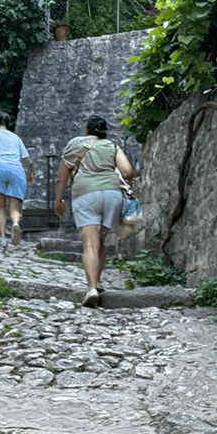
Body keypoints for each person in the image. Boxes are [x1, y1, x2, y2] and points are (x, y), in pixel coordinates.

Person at [54, 115, 134, 308]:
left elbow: (61, 178)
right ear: (105, 131)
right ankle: (98, 282)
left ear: (86, 130)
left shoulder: (75, 144)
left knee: (90, 244)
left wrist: (58, 201)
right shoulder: (112, 147)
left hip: (85, 194)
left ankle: (91, 289)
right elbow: (128, 172)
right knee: (101, 241)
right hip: (112, 196)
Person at [0, 112, 33, 253]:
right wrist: (29, 174)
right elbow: (28, 160)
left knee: (0, 207)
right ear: (9, 123)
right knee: (14, 209)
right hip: (16, 170)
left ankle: (3, 239)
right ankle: (15, 223)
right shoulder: (16, 138)